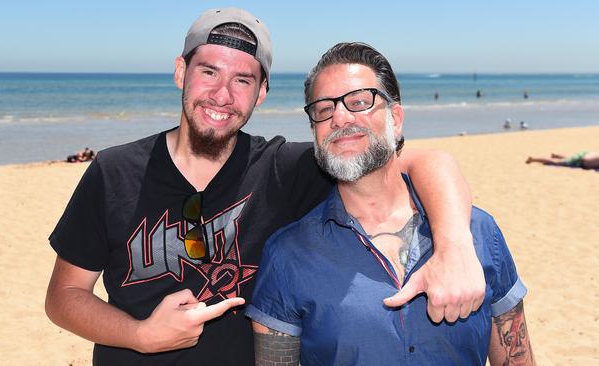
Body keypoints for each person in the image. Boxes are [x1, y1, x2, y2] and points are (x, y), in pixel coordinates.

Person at [44, 8, 484, 365]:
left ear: (261, 94)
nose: (221, 94)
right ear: (181, 72)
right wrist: (140, 335)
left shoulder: (284, 168)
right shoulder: (114, 171)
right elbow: (64, 298)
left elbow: (422, 160)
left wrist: (455, 246)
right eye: (208, 72)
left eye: (243, 80)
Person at [247, 42, 535, 365]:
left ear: (395, 119)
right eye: (324, 109)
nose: (340, 117)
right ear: (314, 129)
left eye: (359, 101)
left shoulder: (479, 233)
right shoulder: (288, 256)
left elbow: (517, 358)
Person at [526, 151, 599, 169]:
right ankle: (533, 159)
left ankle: (556, 155)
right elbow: (586, 159)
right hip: (581, 160)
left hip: (585, 154)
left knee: (570, 158)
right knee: (556, 163)